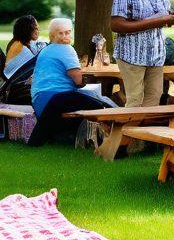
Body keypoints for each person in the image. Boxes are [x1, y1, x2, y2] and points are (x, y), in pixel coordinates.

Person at [28, 18, 114, 146]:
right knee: (95, 101)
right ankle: (113, 123)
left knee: (84, 98)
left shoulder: (46, 49)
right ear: (53, 35)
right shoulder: (66, 49)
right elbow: (77, 78)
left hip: (39, 101)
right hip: (54, 99)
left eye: (67, 32)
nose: (64, 37)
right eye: (60, 33)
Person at [110, 0, 174, 107]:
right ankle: (127, 132)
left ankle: (144, 131)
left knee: (153, 100)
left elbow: (163, 16)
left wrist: (170, 18)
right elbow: (116, 25)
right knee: (135, 100)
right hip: (131, 55)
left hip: (155, 55)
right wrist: (157, 21)